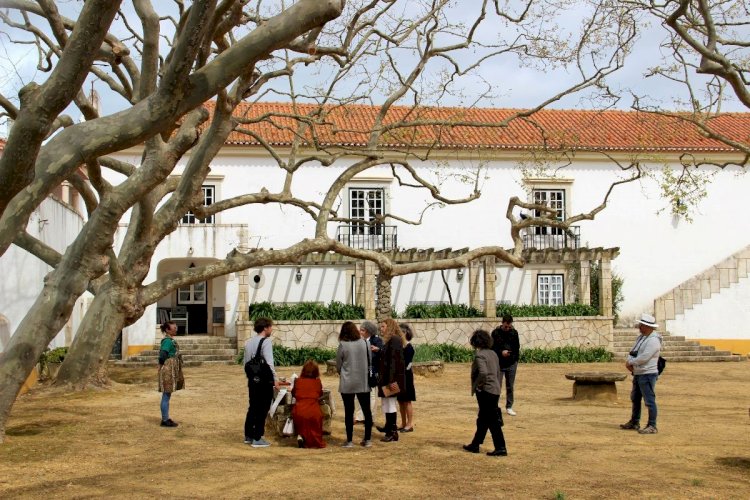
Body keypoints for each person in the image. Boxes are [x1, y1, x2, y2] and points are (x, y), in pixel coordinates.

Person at [463, 329, 508, 457]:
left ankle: (501, 447)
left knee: (492, 420)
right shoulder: (493, 353)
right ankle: (475, 444)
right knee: (483, 418)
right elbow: (498, 372)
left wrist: (478, 386)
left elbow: (483, 373)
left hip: (486, 391)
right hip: (495, 389)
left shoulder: (480, 355)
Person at [620, 313, 662, 435]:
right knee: (635, 398)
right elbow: (634, 351)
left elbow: (645, 357)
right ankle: (635, 421)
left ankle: (652, 425)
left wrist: (631, 362)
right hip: (639, 372)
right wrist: (630, 361)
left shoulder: (654, 340)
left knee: (649, 400)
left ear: (648, 327)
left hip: (647, 373)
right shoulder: (642, 338)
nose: (639, 327)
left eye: (642, 325)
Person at [243, 317, 280, 448]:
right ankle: (258, 437)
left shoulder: (249, 342)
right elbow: (269, 363)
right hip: (264, 380)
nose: (271, 329)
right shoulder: (266, 342)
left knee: (253, 406)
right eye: (270, 326)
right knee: (263, 407)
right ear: (265, 328)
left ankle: (248, 435)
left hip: (253, 380)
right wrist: (275, 379)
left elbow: (245, 363)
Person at [336, 321, 373, 448]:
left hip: (347, 382)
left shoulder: (343, 345)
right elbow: (370, 361)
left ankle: (350, 440)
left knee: (349, 411)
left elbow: (338, 365)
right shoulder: (365, 342)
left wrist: (343, 372)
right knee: (367, 411)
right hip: (363, 381)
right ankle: (367, 439)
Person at [377, 318, 406, 442]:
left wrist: (390, 382)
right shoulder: (391, 340)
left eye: (383, 327)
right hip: (387, 378)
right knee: (386, 404)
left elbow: (394, 362)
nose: (381, 329)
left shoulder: (394, 340)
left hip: (391, 379)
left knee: (390, 405)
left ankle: (392, 432)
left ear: (389, 327)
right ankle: (388, 427)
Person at [292, 359, 326, 448]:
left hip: (299, 410)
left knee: (302, 420)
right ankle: (308, 439)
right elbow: (320, 394)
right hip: (314, 412)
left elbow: (293, 393)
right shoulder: (317, 382)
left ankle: (301, 435)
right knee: (315, 422)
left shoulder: (297, 381)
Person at [491, 314, 520, 416]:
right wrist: (501, 352)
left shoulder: (514, 333)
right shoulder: (495, 333)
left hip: (511, 363)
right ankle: (494, 406)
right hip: (499, 363)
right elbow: (492, 348)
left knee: (510, 386)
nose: (507, 328)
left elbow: (517, 348)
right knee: (497, 386)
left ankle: (509, 406)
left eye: (509, 326)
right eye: (505, 326)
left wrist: (512, 356)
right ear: (502, 323)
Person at [355, 320, 383, 424]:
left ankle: (370, 418)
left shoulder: (377, 340)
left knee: (372, 396)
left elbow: (381, 354)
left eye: (362, 330)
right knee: (359, 395)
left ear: (368, 331)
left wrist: (376, 350)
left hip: (372, 372)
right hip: (360, 372)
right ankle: (359, 417)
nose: (360, 332)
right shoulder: (358, 341)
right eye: (360, 330)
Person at [157, 321, 184, 427]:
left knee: (167, 394)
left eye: (176, 327)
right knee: (166, 394)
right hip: (168, 369)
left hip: (170, 368)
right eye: (174, 328)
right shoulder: (167, 341)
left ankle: (166, 417)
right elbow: (163, 354)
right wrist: (160, 366)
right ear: (167, 330)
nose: (176, 329)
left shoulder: (170, 340)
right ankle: (165, 419)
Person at [397, 322, 416, 432]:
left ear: (404, 333)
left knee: (407, 401)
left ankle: (409, 424)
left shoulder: (409, 348)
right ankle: (403, 422)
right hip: (399, 377)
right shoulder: (400, 346)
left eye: (399, 332)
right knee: (400, 401)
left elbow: (406, 364)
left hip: (406, 377)